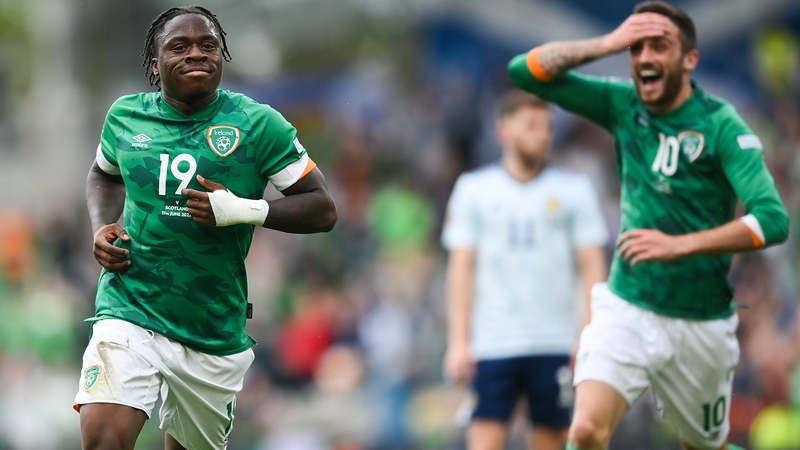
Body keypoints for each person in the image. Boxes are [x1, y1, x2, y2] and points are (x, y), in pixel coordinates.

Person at [507, 2, 789, 450]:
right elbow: (524, 72)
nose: (643, 57)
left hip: (701, 322)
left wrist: (681, 245)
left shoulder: (721, 125)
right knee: (584, 431)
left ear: (689, 60)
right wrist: (606, 43)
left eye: (659, 46)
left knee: (702, 447)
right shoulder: (622, 104)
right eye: (636, 47)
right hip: (627, 306)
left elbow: (773, 220)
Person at [74, 6, 337, 450]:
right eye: (180, 47)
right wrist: (101, 227)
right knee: (103, 441)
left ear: (222, 56)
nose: (196, 53)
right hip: (130, 307)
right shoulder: (125, 116)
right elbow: (103, 174)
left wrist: (243, 210)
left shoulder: (258, 123)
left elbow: (322, 208)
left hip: (212, 330)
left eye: (208, 45)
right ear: (155, 65)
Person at [441, 90, 609, 450]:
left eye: (547, 127)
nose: (542, 134)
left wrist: (590, 333)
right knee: (484, 440)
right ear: (504, 132)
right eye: (531, 126)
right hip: (492, 342)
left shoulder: (574, 190)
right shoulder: (474, 190)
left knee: (551, 440)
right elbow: (461, 270)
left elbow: (591, 265)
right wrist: (458, 342)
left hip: (556, 340)